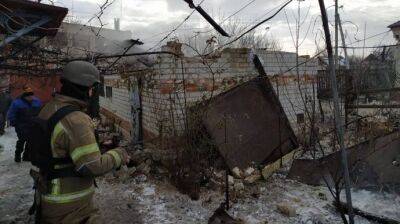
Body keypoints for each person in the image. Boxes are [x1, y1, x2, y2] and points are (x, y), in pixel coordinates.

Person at [36, 61, 130, 224]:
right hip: (70, 208)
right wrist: (119, 154)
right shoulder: (76, 119)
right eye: (93, 88)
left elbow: (60, 145)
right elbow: (92, 166)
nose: (93, 93)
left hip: (49, 196)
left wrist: (96, 143)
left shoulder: (51, 107)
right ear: (86, 88)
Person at [7, 85, 42, 162]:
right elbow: (11, 114)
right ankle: (18, 154)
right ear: (24, 96)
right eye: (28, 96)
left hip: (33, 125)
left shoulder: (37, 102)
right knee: (22, 140)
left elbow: (41, 112)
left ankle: (26, 156)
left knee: (30, 141)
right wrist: (15, 123)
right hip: (21, 125)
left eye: (31, 95)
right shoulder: (17, 103)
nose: (31, 97)